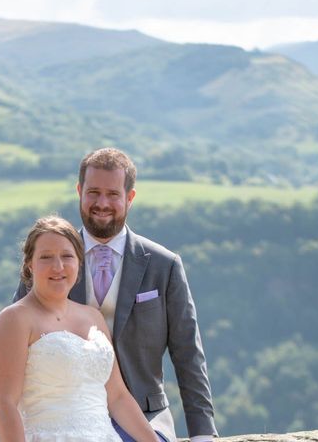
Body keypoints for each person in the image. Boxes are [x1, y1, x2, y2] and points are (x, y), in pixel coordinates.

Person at [13, 148, 217, 442]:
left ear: (130, 197)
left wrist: (203, 434)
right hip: (61, 415)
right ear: (79, 191)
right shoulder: (49, 260)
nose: (102, 203)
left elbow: (188, 354)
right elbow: (16, 343)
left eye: (113, 194)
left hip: (143, 415)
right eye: (93, 192)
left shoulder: (164, 265)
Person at [0, 215, 160, 441]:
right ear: (30, 264)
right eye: (46, 257)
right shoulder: (14, 319)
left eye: (67, 256)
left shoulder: (93, 317)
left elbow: (117, 397)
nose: (58, 266)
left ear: (79, 262)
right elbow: (2, 404)